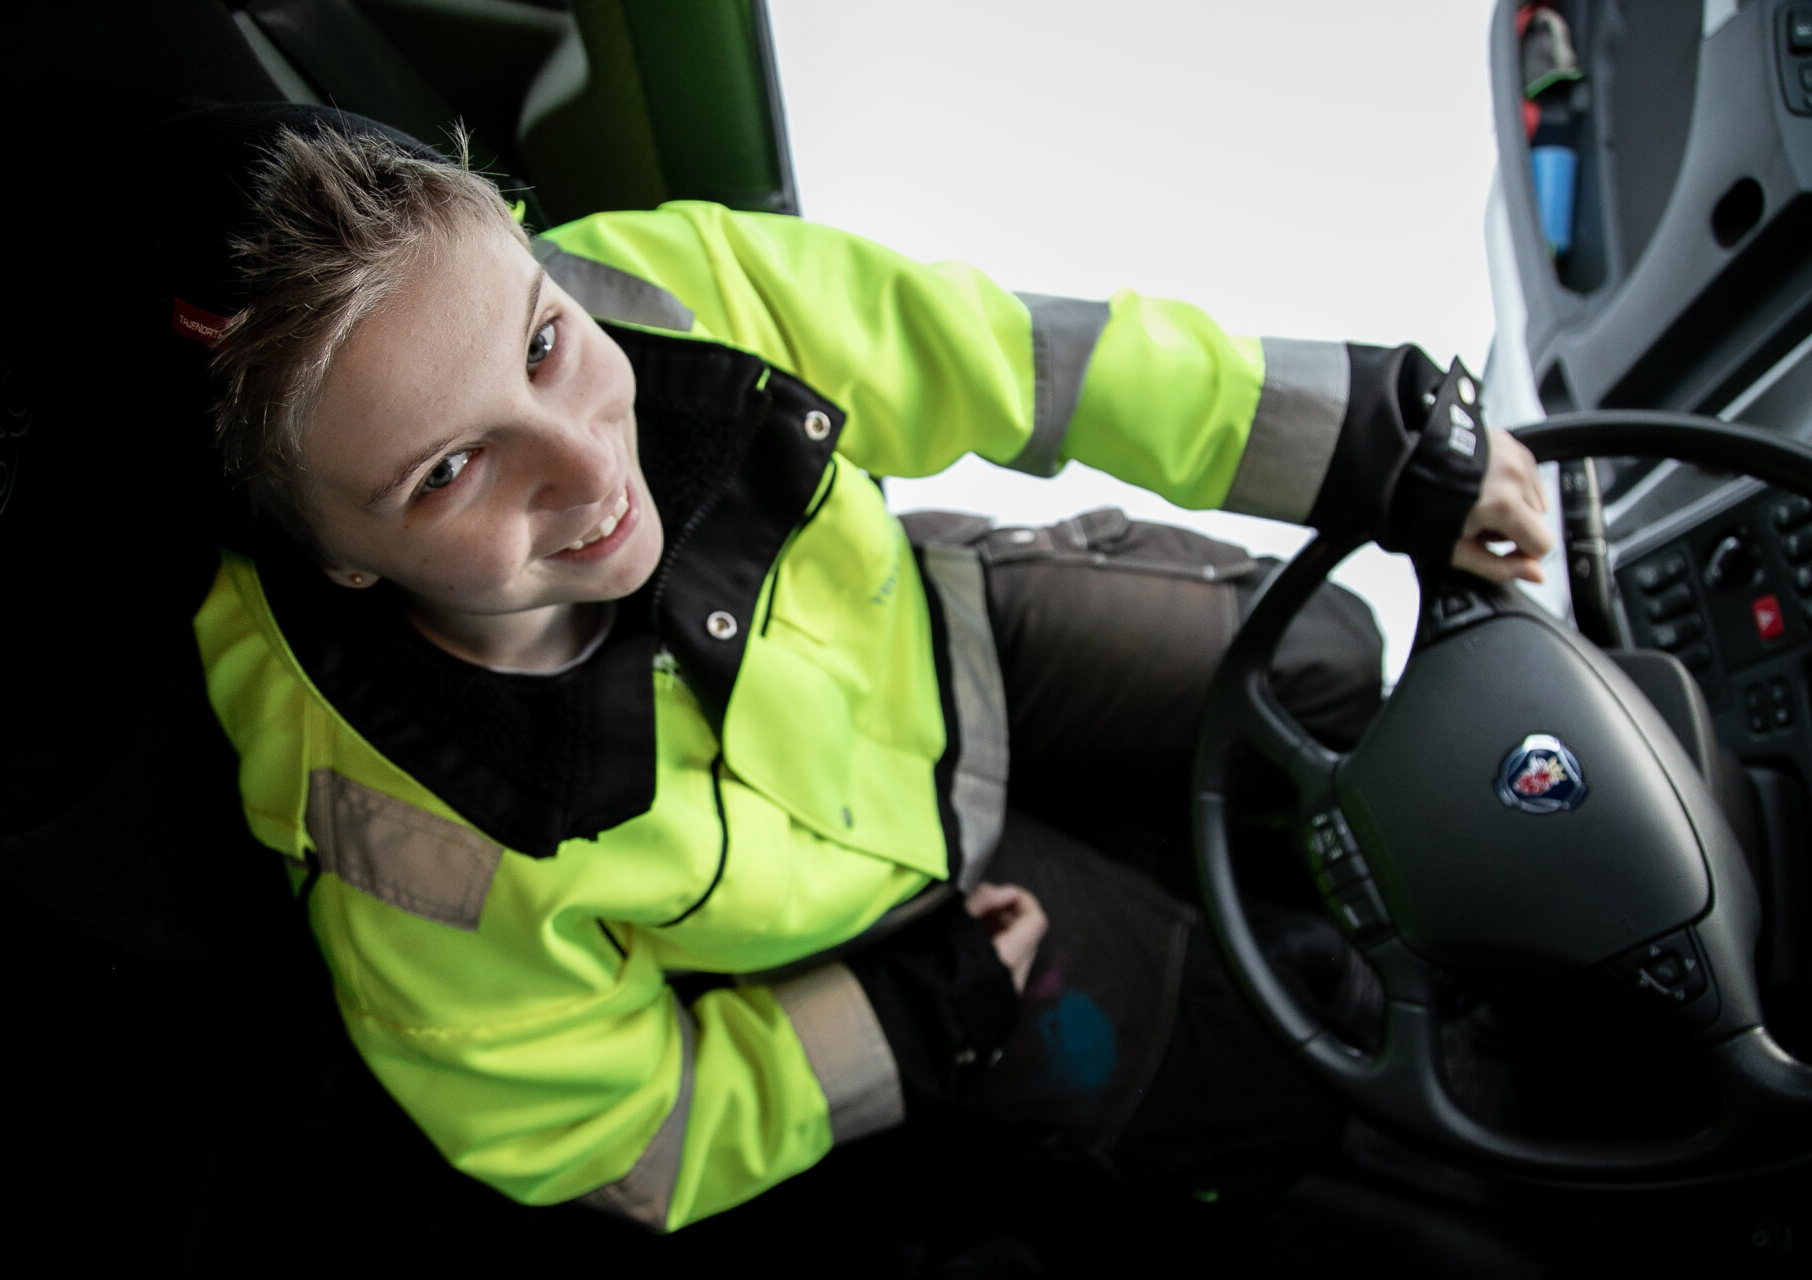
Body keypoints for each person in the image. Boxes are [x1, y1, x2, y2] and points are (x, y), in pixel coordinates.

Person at [155, 101, 1552, 1236]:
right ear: (332, 558)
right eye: (452, 469)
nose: (595, 468)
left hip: (946, 638)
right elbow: (608, 1134)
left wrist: (1369, 435)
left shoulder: (665, 287)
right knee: (1267, 1081)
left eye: (543, 343)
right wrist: (893, 1021)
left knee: (1328, 658)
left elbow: (1018, 362)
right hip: (894, 923)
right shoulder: (402, 845)